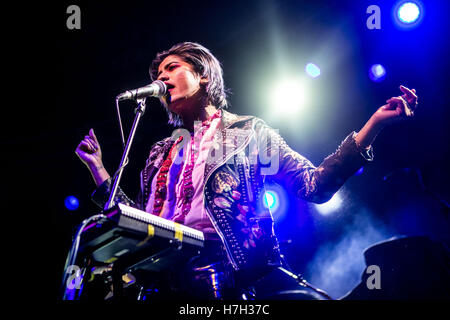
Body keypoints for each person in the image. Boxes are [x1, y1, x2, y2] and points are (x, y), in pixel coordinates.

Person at [75, 42, 418, 300]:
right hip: (150, 279)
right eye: (156, 76)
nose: (161, 79)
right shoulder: (160, 152)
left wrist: (374, 124)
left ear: (203, 74)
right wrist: (99, 171)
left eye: (171, 68)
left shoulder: (249, 133)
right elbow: (137, 219)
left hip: (213, 273)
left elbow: (315, 186)